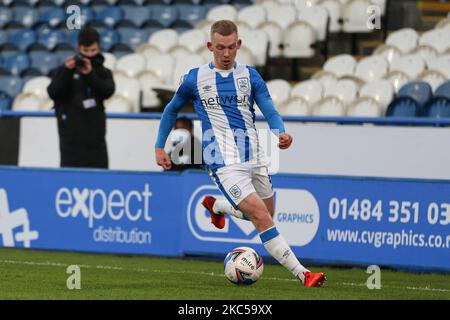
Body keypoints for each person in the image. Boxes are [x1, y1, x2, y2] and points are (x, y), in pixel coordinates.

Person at [155, 20, 326, 287]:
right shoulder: (195, 78)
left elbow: (269, 108)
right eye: (220, 48)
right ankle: (304, 274)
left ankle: (218, 206)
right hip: (222, 162)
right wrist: (159, 146)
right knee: (260, 216)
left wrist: (280, 131)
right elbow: (170, 110)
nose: (226, 54)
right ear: (210, 46)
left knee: (263, 215)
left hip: (255, 157)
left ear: (239, 45)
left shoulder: (250, 76)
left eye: (231, 47)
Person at [47, 27, 115, 169]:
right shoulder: (67, 70)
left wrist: (90, 73)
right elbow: (53, 92)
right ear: (78, 48)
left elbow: (107, 91)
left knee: (99, 182)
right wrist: (66, 71)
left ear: (99, 48)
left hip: (96, 141)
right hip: (70, 142)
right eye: (86, 51)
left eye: (93, 51)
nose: (89, 55)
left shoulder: (104, 72)